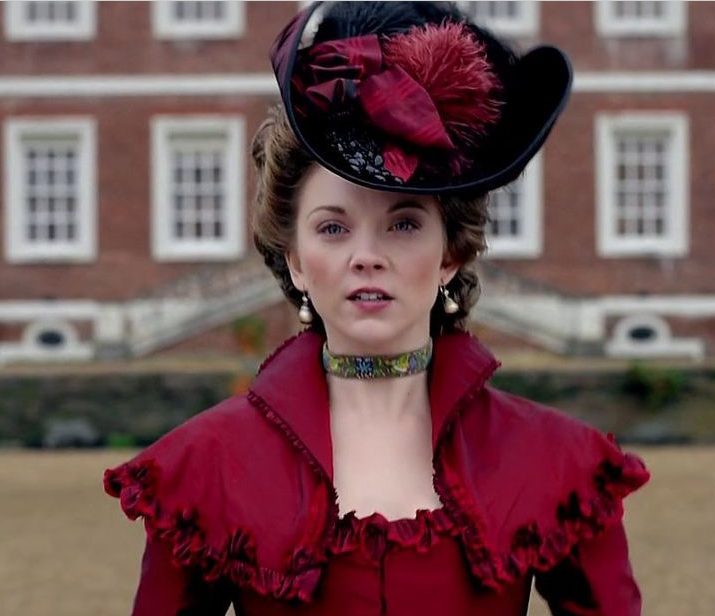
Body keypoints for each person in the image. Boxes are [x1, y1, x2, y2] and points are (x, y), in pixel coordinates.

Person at [104, 3, 651, 615]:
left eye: (404, 224)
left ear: (450, 254)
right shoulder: (205, 467)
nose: (366, 256)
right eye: (333, 228)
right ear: (295, 259)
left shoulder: (557, 464)